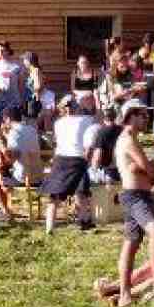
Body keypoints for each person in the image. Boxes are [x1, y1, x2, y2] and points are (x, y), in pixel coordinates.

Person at [108, 102, 154, 307]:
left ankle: (124, 295)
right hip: (135, 196)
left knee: (131, 244)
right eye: (143, 115)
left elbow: (143, 170)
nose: (146, 119)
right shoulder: (128, 140)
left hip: (137, 194)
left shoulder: (130, 140)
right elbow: (151, 172)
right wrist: (150, 168)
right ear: (131, 116)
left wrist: (143, 169)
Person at [43, 96, 97, 233]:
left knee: (54, 195)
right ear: (76, 107)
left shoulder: (58, 123)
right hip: (78, 159)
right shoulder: (87, 120)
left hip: (61, 159)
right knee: (81, 191)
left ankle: (50, 226)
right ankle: (84, 221)